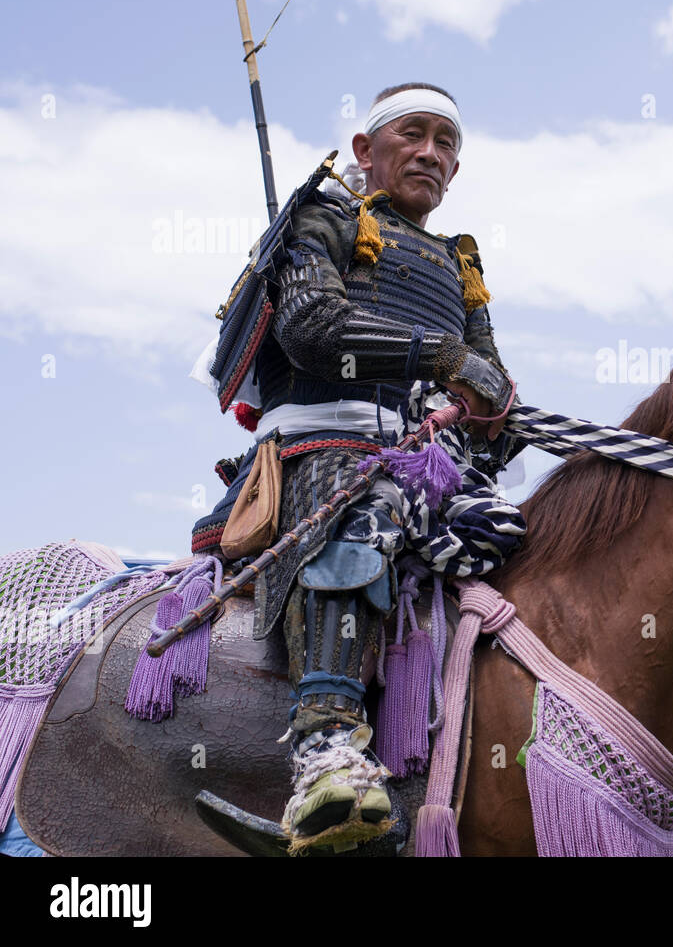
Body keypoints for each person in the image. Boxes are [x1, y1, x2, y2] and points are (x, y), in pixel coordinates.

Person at [191, 82, 525, 850]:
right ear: (366, 150)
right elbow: (312, 327)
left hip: (436, 466)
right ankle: (326, 749)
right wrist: (447, 359)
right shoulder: (325, 218)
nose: (432, 152)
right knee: (362, 509)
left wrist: (499, 411)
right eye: (415, 134)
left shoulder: (459, 266)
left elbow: (486, 384)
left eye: (447, 142)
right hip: (320, 449)